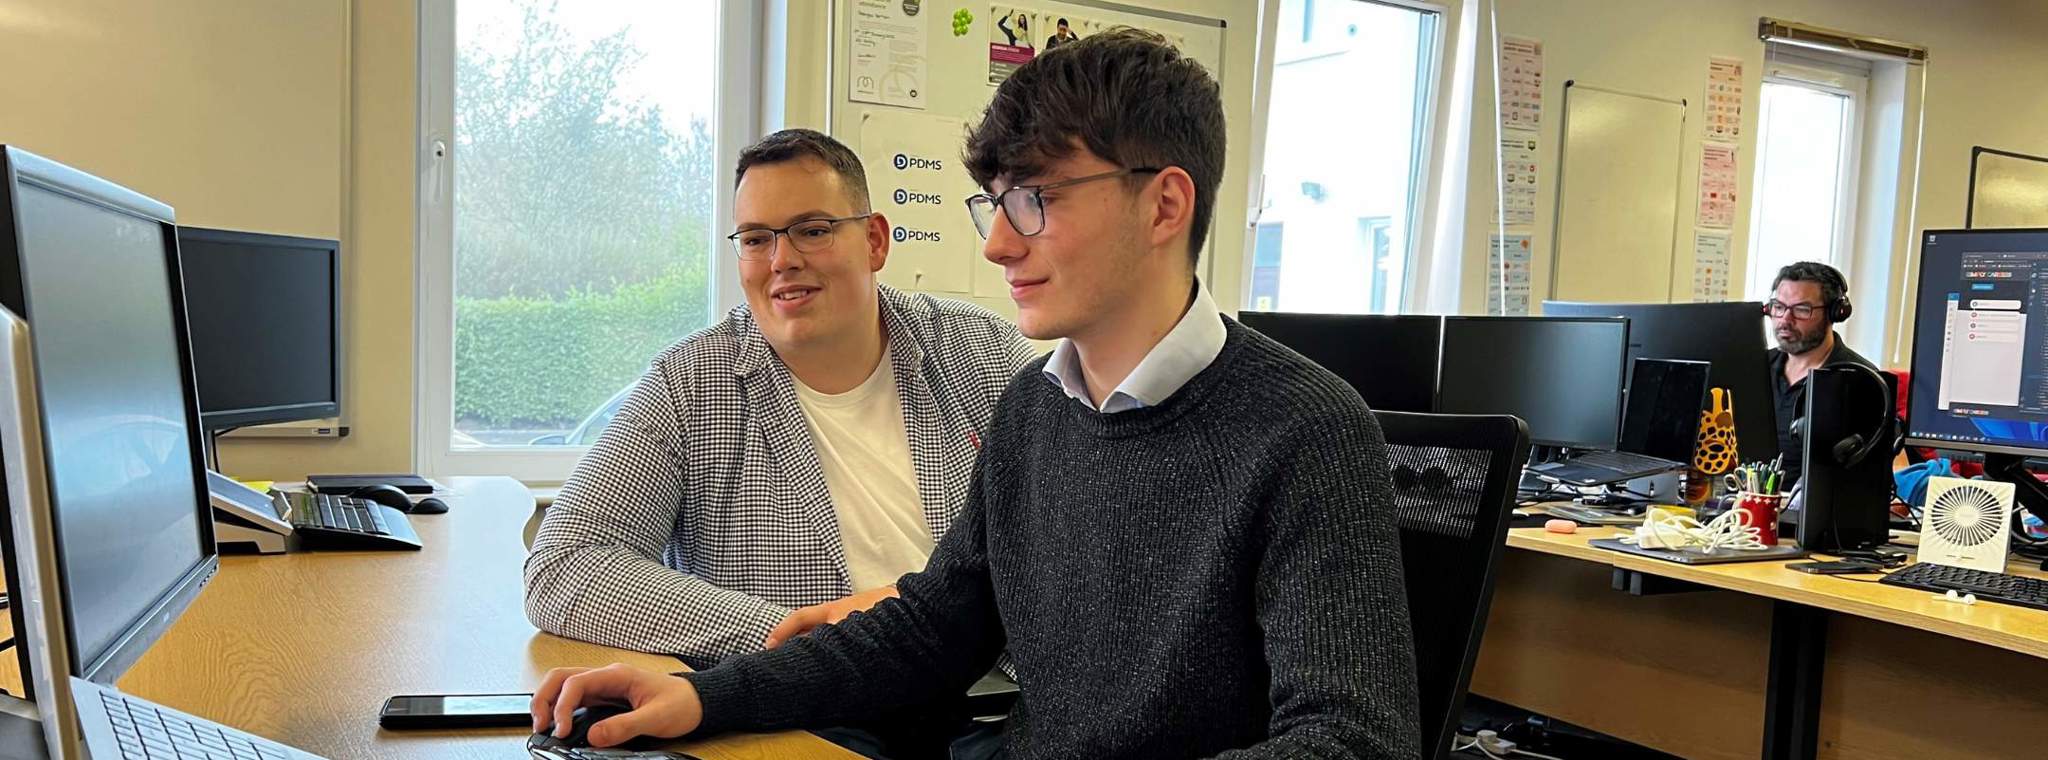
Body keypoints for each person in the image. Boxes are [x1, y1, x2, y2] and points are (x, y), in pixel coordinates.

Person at [529, 28, 1421, 759]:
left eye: (1034, 200)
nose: (997, 245)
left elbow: (1349, 743)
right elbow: (928, 631)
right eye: (993, 203)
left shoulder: (1307, 430)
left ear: (1164, 206)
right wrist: (704, 696)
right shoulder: (1036, 405)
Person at [523, 128, 1037, 664]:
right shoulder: (690, 384)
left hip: (995, 694)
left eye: (812, 231)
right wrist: (806, 635)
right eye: (755, 239)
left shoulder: (985, 354)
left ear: (875, 242)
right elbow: (565, 563)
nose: (780, 260)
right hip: (809, 708)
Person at [1765, 261, 1876, 486]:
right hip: (1744, 505)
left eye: (1801, 310)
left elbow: (1886, 469)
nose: (1785, 320)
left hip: (1814, 515)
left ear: (1835, 313)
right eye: (1778, 307)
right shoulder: (1754, 368)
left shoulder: (1861, 380)